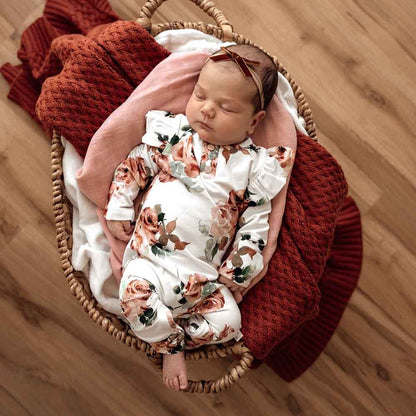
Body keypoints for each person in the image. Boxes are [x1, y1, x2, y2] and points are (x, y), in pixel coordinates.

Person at [104, 45, 295, 391]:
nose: (206, 109)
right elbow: (136, 164)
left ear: (254, 122)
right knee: (132, 297)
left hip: (202, 281)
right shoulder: (176, 135)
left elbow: (256, 223)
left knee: (229, 322)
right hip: (149, 264)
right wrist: (119, 204)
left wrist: (240, 266)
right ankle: (170, 347)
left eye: (226, 107)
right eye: (200, 95)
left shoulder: (253, 167)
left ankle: (167, 331)